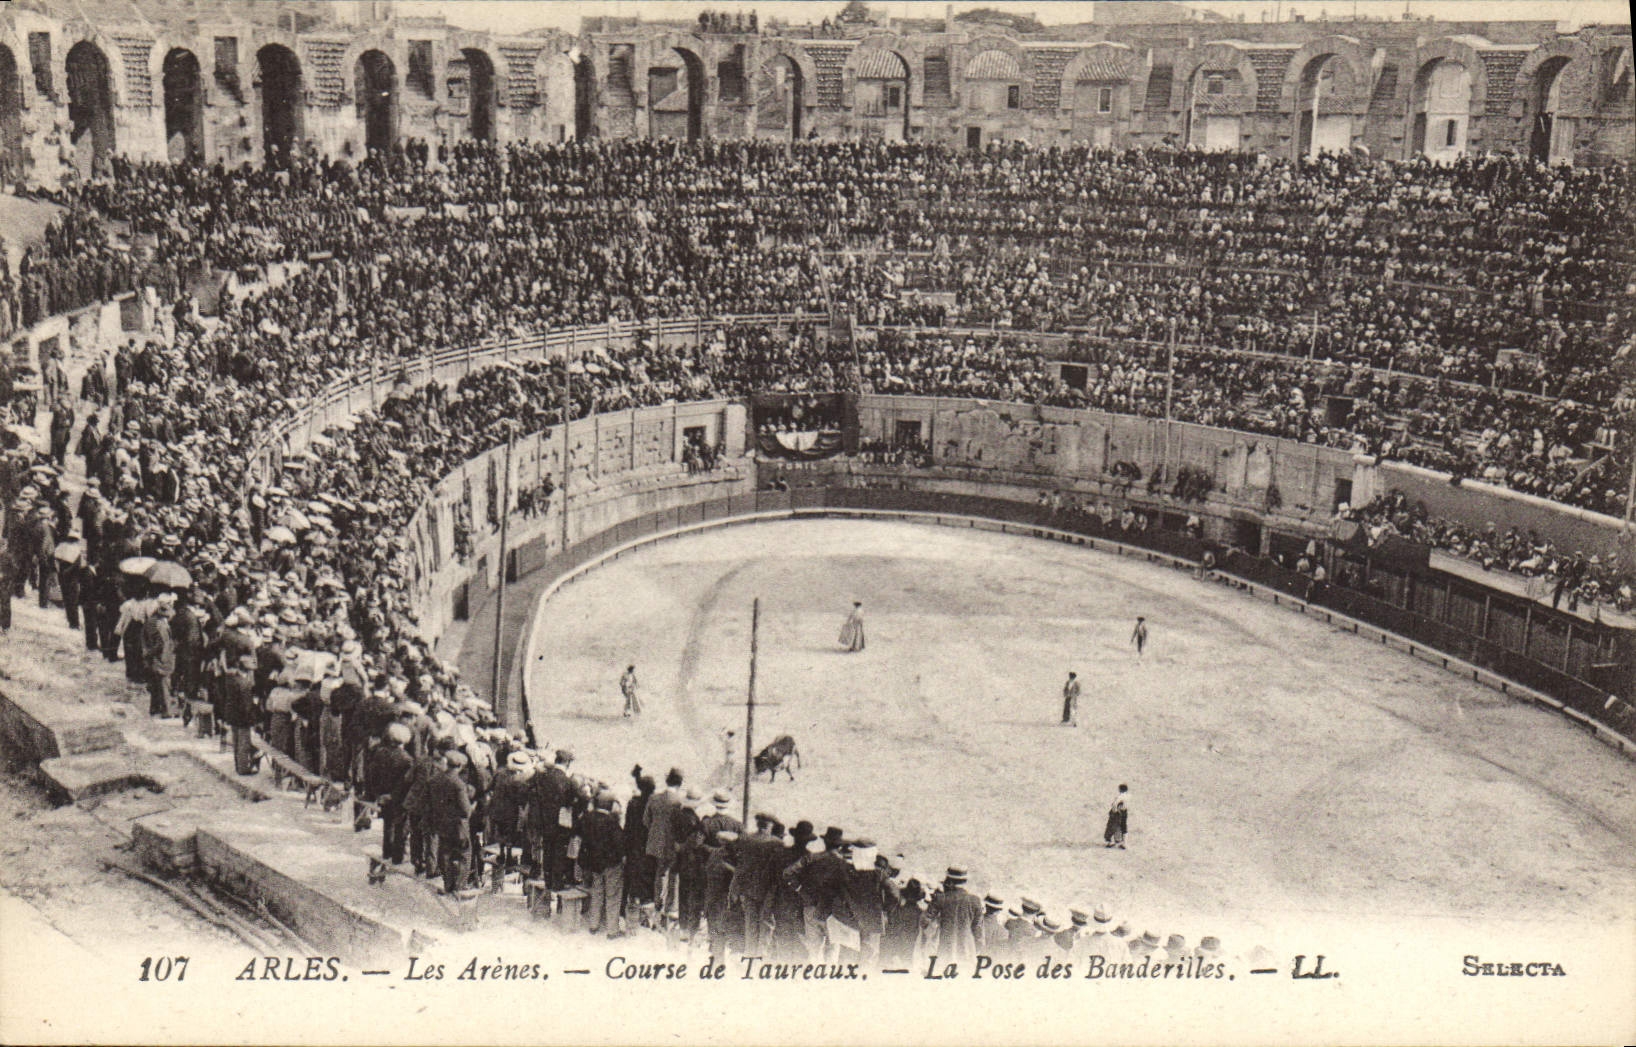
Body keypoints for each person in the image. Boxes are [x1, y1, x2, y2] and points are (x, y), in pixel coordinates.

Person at [580, 789, 626, 937]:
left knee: (597, 892)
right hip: (611, 864)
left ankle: (593, 924)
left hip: (594, 863)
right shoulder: (612, 822)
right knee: (613, 896)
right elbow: (620, 844)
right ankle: (612, 930)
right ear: (610, 805)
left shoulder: (588, 818)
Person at [1103, 783, 1129, 849]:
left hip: (1119, 813)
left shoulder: (1120, 797)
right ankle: (1124, 843)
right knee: (1123, 827)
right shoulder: (1128, 796)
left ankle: (1111, 841)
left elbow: (1114, 805)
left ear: (1120, 790)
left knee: (1113, 825)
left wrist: (1114, 811)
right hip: (1125, 812)